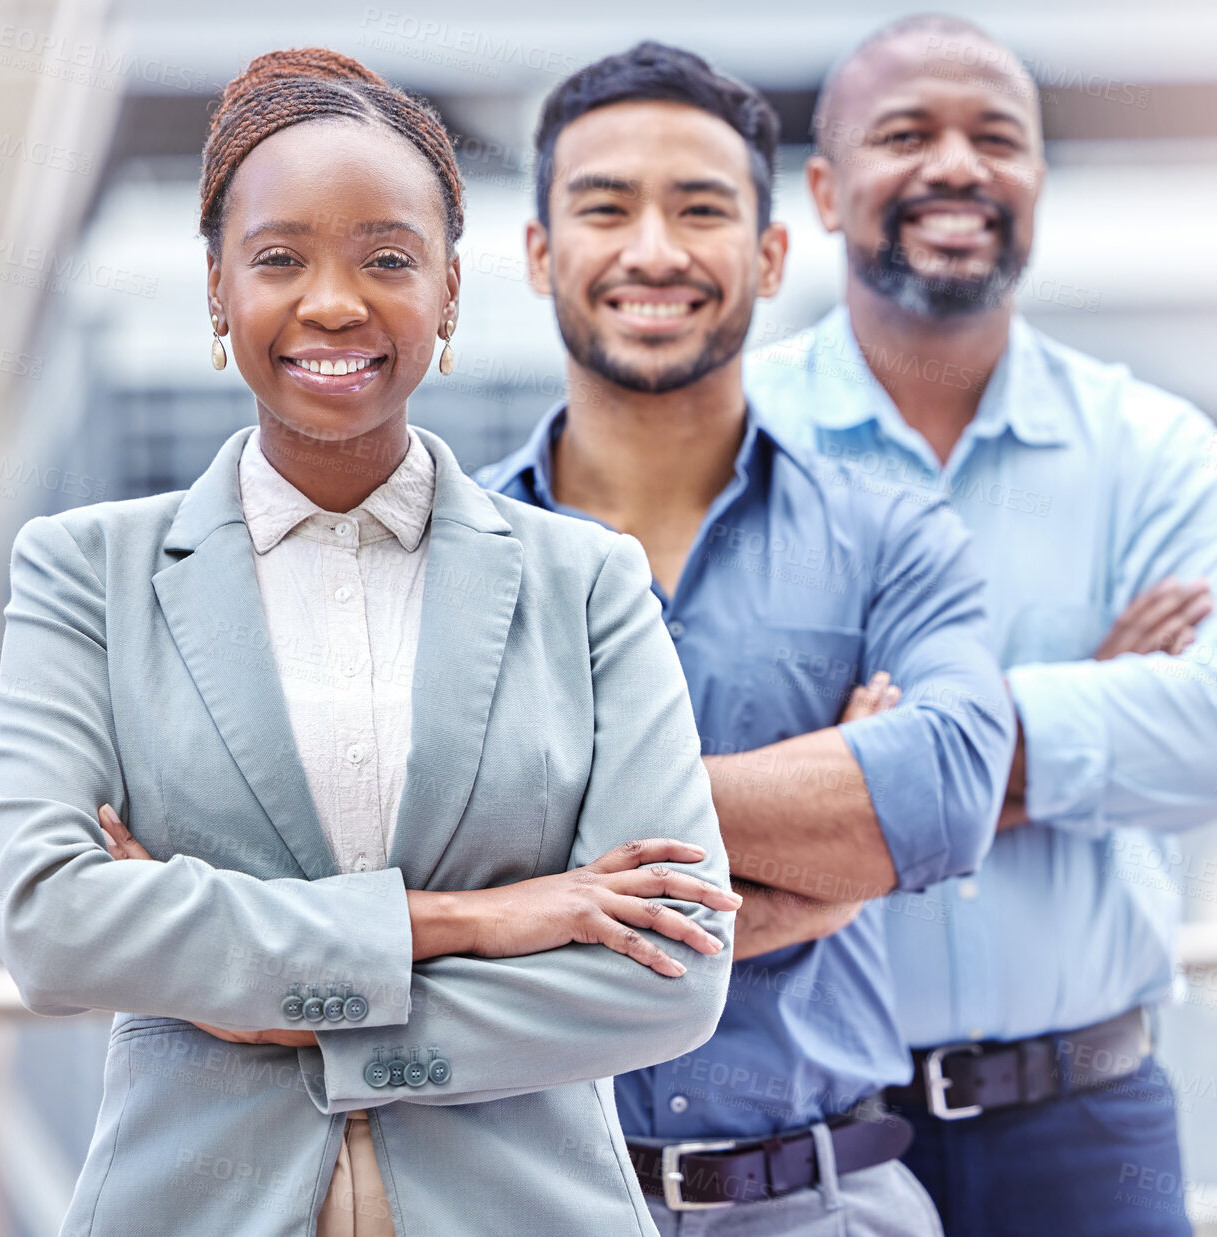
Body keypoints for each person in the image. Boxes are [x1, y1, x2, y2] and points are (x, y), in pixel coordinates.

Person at [0, 48, 739, 1237]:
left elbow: (672, 970)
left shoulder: (584, 584)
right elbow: (51, 921)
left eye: (386, 258)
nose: (333, 300)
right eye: (279, 257)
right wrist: (469, 919)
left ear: (446, 292)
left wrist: (264, 995)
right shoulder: (89, 574)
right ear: (219, 291)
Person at [745, 16, 1217, 1236]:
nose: (956, 166)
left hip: (1090, 1126)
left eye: (996, 138)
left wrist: (865, 767)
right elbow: (689, 784)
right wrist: (1075, 712)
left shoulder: (1152, 450)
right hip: (805, 1138)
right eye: (904, 134)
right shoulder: (732, 451)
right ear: (824, 191)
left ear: (1035, 183)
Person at [475, 41, 1014, 1236]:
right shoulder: (441, 560)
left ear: (770, 255)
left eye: (701, 208)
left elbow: (946, 791)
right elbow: (411, 880)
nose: (653, 250)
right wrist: (819, 870)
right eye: (604, 207)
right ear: (538, 253)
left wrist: (559, 846)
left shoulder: (891, 534)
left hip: (825, 1203)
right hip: (532, 1203)